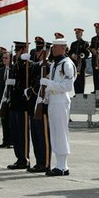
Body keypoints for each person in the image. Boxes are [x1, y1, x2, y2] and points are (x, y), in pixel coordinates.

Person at [40, 38, 76, 176]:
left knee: (61, 132)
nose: (52, 49)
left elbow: (68, 86)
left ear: (63, 48)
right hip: (54, 101)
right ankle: (61, 164)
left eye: (55, 47)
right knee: (55, 133)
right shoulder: (55, 64)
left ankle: (62, 165)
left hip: (61, 101)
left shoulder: (66, 64)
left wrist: (49, 84)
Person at [26, 41, 52, 173]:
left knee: (43, 136)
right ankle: (38, 162)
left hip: (43, 105)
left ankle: (46, 163)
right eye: (37, 51)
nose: (38, 53)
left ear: (47, 52)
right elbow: (31, 81)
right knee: (35, 135)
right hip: (33, 104)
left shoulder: (50, 67)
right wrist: (29, 90)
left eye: (41, 50)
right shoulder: (35, 67)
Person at [6, 42, 32, 170]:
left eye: (18, 51)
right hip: (14, 103)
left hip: (23, 104)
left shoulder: (28, 65)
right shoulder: (15, 65)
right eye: (16, 51)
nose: (16, 53)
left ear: (24, 50)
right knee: (16, 133)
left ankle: (25, 159)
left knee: (23, 133)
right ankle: (19, 157)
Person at [0, 51, 12, 149]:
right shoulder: (1, 70)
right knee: (4, 121)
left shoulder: (13, 69)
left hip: (11, 99)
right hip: (2, 99)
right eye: (3, 58)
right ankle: (5, 141)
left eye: (6, 58)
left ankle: (11, 141)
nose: (4, 60)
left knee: (10, 122)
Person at [69, 28, 90, 94]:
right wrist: (72, 56)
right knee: (75, 80)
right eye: (76, 34)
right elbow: (69, 53)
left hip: (81, 64)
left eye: (78, 34)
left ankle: (81, 93)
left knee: (81, 80)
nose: (77, 35)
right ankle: (76, 93)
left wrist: (81, 56)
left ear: (81, 34)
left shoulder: (85, 43)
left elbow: (87, 53)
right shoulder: (73, 44)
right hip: (74, 64)